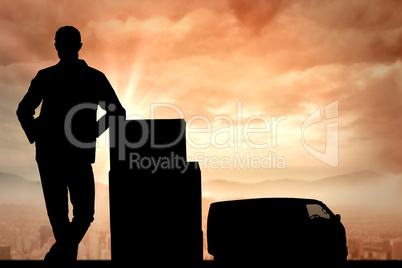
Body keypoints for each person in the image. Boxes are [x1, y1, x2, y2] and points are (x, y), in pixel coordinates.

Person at [16, 26, 126, 262]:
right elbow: (118, 112)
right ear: (79, 46)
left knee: (62, 217)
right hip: (76, 154)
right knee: (82, 214)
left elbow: (23, 110)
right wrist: (91, 134)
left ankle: (57, 257)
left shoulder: (47, 76)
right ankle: (61, 258)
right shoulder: (93, 77)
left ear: (57, 47)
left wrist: (38, 132)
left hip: (51, 155)